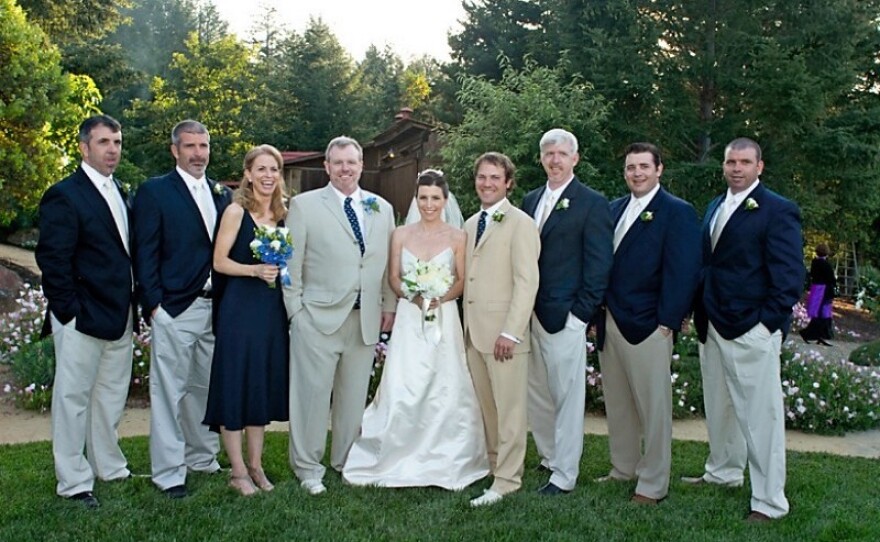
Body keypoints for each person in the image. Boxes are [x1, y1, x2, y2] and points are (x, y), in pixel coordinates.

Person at [343, 170, 489, 489]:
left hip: (444, 316)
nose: (429, 204)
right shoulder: (401, 235)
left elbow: (462, 280)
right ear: (416, 199)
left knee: (446, 381)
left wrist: (439, 297)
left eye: (435, 198)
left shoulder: (458, 237)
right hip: (410, 317)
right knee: (404, 380)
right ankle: (395, 450)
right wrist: (414, 296)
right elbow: (394, 277)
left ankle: (452, 453)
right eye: (423, 197)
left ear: (445, 200)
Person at [686, 137, 804, 522]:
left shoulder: (778, 210)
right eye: (730, 162)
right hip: (713, 323)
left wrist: (766, 324)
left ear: (759, 166)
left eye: (744, 162)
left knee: (760, 417)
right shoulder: (715, 206)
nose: (736, 168)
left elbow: (789, 278)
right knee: (720, 409)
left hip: (751, 326)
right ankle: (723, 472)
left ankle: (770, 501)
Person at [283, 136, 396, 496]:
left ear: (362, 165)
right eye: (338, 163)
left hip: (364, 321)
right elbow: (290, 264)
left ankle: (346, 461)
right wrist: (295, 312)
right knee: (311, 398)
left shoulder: (382, 207)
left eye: (352, 162)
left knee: (352, 399)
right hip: (317, 318)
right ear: (327, 167)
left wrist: (389, 305)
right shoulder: (303, 206)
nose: (346, 168)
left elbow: (387, 262)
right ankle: (307, 467)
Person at [35, 115, 135, 509]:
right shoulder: (65, 194)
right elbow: (53, 260)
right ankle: (74, 480)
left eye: (117, 142)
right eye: (104, 142)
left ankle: (108, 466)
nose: (113, 149)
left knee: (110, 396)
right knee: (72, 398)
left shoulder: (122, 191)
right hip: (81, 315)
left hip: (120, 313)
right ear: (83, 147)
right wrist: (68, 312)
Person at [594, 142, 701, 504]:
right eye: (630, 167)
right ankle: (623, 468)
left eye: (643, 166)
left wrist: (668, 321)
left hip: (651, 325)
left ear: (659, 169)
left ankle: (653, 483)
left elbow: (684, 272)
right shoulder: (614, 209)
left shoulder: (677, 212)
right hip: (611, 322)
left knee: (654, 410)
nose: (637, 173)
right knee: (619, 404)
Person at [133, 120, 231, 498]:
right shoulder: (155, 192)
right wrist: (155, 306)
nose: (198, 153)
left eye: (204, 146)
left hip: (215, 308)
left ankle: (202, 458)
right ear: (175, 150)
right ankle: (169, 473)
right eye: (190, 146)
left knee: (203, 389)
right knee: (168, 392)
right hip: (175, 307)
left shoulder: (221, 194)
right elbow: (144, 253)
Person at [521, 128, 613, 495]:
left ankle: (565, 474)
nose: (554, 160)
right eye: (548, 154)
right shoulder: (529, 200)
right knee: (537, 394)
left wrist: (580, 315)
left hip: (566, 317)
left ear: (575, 158)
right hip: (530, 314)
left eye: (562, 154)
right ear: (541, 158)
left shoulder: (591, 202)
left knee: (567, 397)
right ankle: (549, 456)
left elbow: (599, 265)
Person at [203, 145, 290, 496]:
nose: (268, 176)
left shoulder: (282, 216)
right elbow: (219, 261)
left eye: (274, 169)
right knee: (235, 385)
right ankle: (237, 470)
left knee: (259, 386)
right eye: (262, 169)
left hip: (270, 309)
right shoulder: (236, 212)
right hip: (238, 309)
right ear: (249, 174)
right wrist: (254, 270)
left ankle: (256, 465)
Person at [463, 152, 540, 507]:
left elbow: (527, 282)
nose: (487, 183)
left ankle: (508, 480)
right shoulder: (468, 224)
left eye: (495, 177)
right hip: (473, 333)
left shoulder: (521, 223)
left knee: (510, 411)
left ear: (508, 182)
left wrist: (512, 332)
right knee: (488, 409)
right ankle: (495, 467)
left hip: (504, 336)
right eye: (482, 177)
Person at [800, 243, 836, 346]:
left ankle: (818, 335)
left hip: (816, 288)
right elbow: (831, 279)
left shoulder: (814, 263)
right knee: (823, 314)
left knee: (819, 314)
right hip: (824, 290)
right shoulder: (825, 264)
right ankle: (810, 334)